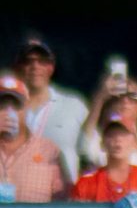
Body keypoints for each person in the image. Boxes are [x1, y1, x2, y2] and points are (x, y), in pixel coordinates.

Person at [14, 36, 88, 183]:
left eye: (42, 61)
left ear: (51, 67)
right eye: (28, 61)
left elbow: (92, 152)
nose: (35, 66)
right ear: (18, 67)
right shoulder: (6, 108)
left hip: (62, 201)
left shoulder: (75, 105)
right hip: (15, 201)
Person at [0, 73, 69, 202]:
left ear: (26, 108)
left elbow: (63, 202)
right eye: (2, 106)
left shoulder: (49, 151)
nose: (9, 112)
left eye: (16, 106)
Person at [71, 113, 137, 201]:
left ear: (135, 143)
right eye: (111, 135)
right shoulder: (85, 185)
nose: (118, 139)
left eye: (124, 135)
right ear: (102, 143)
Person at [79, 79, 137, 175]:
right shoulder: (101, 142)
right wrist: (100, 97)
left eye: (133, 96)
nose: (125, 101)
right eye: (118, 97)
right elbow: (84, 145)